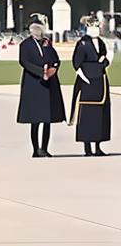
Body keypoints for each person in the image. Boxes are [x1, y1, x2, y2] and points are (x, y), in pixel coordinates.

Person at [17, 21, 64, 157]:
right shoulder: (25, 45)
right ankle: (36, 149)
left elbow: (55, 59)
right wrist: (40, 72)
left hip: (48, 82)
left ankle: (44, 148)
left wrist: (53, 69)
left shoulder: (46, 43)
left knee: (47, 119)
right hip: (34, 83)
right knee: (35, 119)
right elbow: (24, 61)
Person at [70, 21, 111, 156]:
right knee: (87, 113)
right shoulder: (82, 43)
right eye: (93, 27)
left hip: (100, 80)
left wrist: (105, 62)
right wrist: (83, 76)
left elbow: (105, 57)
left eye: (97, 27)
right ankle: (87, 147)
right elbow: (77, 63)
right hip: (87, 81)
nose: (96, 29)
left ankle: (98, 145)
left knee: (100, 114)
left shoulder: (101, 42)